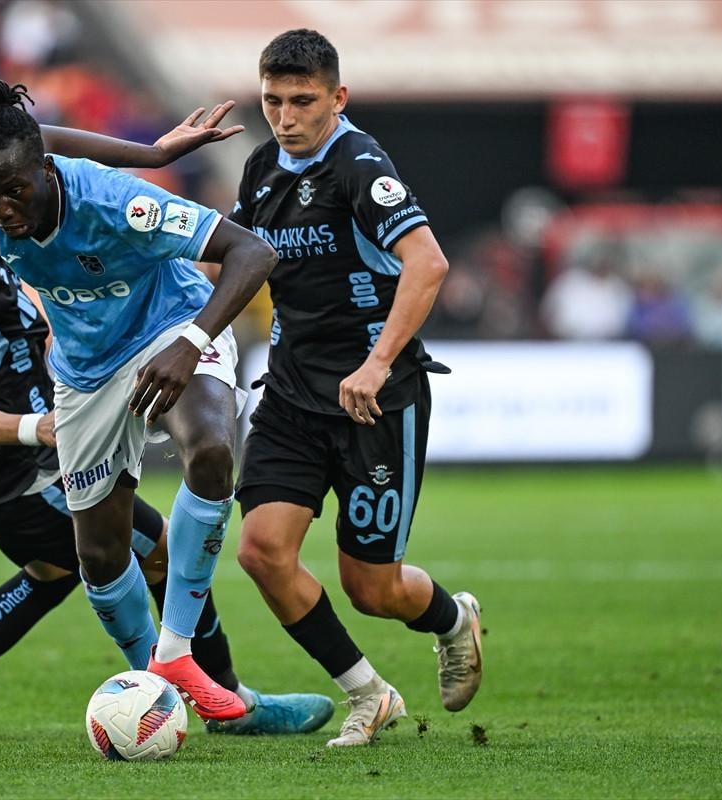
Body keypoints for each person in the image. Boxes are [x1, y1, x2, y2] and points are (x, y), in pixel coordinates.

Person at [0, 112, 333, 737]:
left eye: (8, 187)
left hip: (16, 445)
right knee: (124, 555)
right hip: (27, 459)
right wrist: (39, 427)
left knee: (58, 570)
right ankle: (196, 695)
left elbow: (43, 140)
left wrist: (152, 154)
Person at [0, 78, 277, 721]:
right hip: (85, 370)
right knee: (100, 557)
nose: (2, 209)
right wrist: (152, 152)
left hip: (172, 326)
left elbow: (252, 252)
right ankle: (154, 687)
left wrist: (190, 343)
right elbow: (30, 140)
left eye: (15, 191)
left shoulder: (119, 204)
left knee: (211, 450)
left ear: (46, 171)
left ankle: (176, 650)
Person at [227, 29, 484, 747]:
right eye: (272, 101)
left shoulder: (360, 167)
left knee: (372, 589)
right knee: (260, 550)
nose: (285, 117)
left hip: (376, 401)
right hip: (290, 394)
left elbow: (428, 264)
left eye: (302, 101)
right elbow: (232, 258)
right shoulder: (260, 167)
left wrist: (375, 363)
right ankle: (368, 694)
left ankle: (453, 620)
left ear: (337, 98)